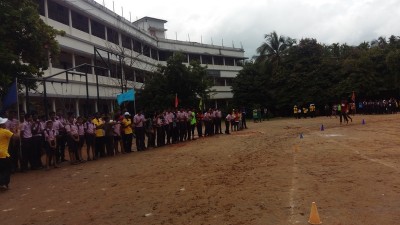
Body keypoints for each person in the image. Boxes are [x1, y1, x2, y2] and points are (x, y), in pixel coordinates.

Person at [0, 117, 14, 190]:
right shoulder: (5, 131)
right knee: (7, 169)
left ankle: (2, 183)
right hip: (3, 153)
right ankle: (3, 183)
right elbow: (15, 137)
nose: (5, 124)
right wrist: (17, 130)